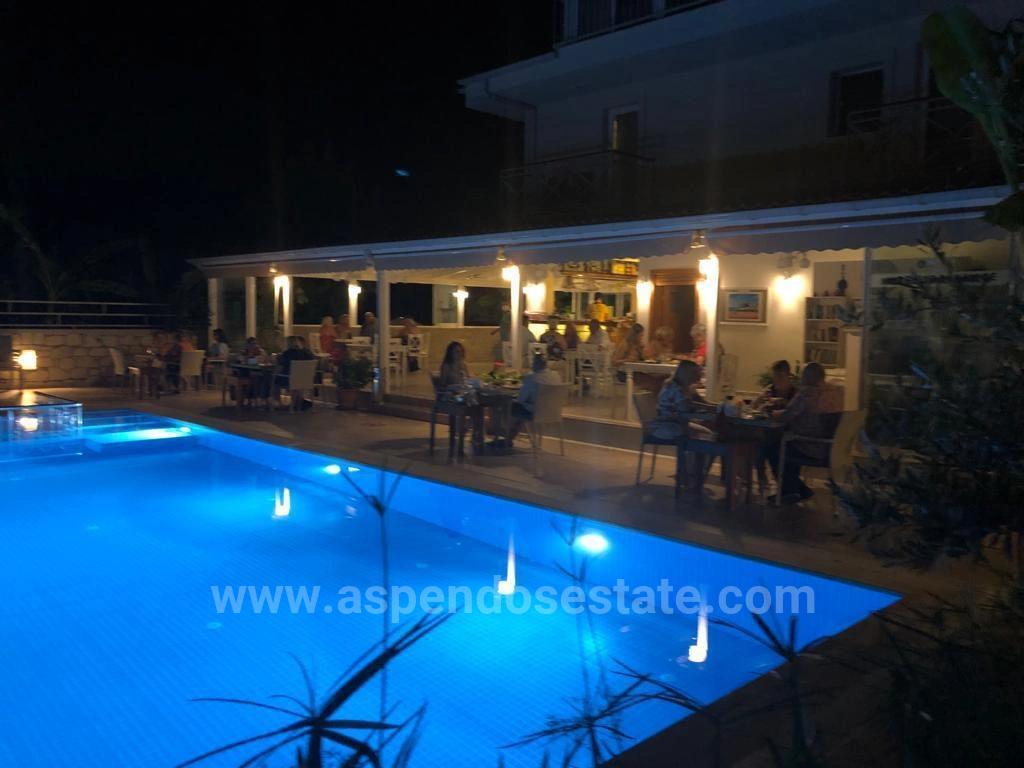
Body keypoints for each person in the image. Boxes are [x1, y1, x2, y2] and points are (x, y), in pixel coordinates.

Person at [767, 362, 844, 502]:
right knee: (786, 444)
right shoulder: (834, 392)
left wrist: (770, 412)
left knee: (773, 447)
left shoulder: (806, 393)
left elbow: (786, 415)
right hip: (831, 448)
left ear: (807, 377)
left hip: (810, 446)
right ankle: (797, 490)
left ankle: (789, 491)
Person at [651, 360, 715, 489]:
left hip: (676, 424)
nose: (700, 376)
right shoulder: (675, 388)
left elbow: (698, 404)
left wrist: (712, 407)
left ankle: (693, 473)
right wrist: (706, 408)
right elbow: (685, 409)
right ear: (689, 374)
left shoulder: (683, 387)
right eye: (697, 373)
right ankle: (692, 475)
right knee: (704, 438)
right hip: (666, 426)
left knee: (708, 435)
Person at [508, 354, 563, 440]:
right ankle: (512, 435)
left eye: (533, 362)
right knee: (521, 407)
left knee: (510, 405)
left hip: (535, 413)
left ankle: (506, 436)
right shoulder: (556, 376)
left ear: (535, 364)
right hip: (554, 412)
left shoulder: (532, 378)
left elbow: (521, 399)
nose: (531, 365)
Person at [274, 335, 316, 408]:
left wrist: (275, 373)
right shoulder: (308, 353)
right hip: (306, 380)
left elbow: (280, 368)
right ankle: (298, 401)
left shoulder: (287, 354)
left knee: (274, 381)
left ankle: (279, 403)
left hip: (290, 380)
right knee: (296, 380)